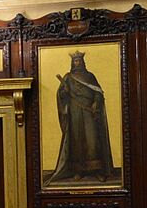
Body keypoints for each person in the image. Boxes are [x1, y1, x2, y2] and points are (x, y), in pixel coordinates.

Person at [49, 50, 115, 183]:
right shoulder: (68, 77)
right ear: (72, 63)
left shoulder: (90, 76)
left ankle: (96, 170)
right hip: (74, 112)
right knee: (76, 140)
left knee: (92, 140)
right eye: (75, 61)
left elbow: (98, 92)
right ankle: (78, 171)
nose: (77, 62)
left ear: (83, 62)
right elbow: (61, 95)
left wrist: (96, 101)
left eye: (79, 60)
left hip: (89, 112)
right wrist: (64, 91)